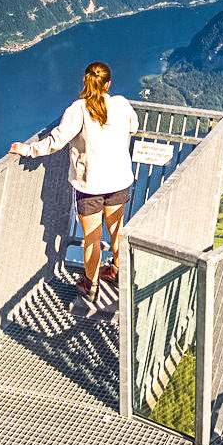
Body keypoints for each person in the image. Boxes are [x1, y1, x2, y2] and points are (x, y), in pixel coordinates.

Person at [11, 61, 136, 302]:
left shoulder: (78, 110)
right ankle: (117, 272)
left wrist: (27, 150)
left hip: (90, 186)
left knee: (92, 238)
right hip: (119, 180)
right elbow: (134, 126)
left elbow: (55, 141)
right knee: (116, 230)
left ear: (85, 82)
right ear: (108, 84)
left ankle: (91, 284)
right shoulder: (121, 104)